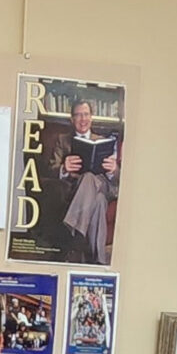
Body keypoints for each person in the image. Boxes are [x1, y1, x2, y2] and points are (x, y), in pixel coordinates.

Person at [53, 100, 121, 264]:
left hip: (102, 184)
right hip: (76, 190)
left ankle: (73, 230)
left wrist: (114, 170)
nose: (82, 119)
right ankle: (98, 259)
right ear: (72, 119)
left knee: (92, 177)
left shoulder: (104, 141)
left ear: (91, 117)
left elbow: (118, 179)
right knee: (98, 202)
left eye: (86, 114)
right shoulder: (63, 140)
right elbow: (51, 168)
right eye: (78, 115)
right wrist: (64, 168)